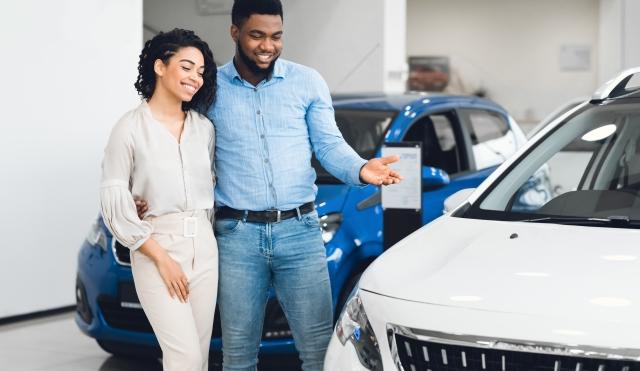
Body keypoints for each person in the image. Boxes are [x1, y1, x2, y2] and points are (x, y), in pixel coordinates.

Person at [210, 1, 401, 370]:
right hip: (237, 235)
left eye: (276, 36)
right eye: (257, 35)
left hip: (299, 232)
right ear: (235, 32)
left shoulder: (307, 82)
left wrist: (362, 168)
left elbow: (328, 146)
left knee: (318, 352)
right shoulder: (210, 89)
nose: (268, 45)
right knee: (237, 356)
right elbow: (188, 152)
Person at [100, 29, 218, 371]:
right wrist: (162, 259)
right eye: (186, 67)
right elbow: (113, 198)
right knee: (185, 358)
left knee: (197, 357)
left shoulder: (203, 128)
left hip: (205, 248)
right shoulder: (129, 128)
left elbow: (205, 188)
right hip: (157, 248)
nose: (195, 78)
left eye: (200, 72)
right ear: (160, 67)